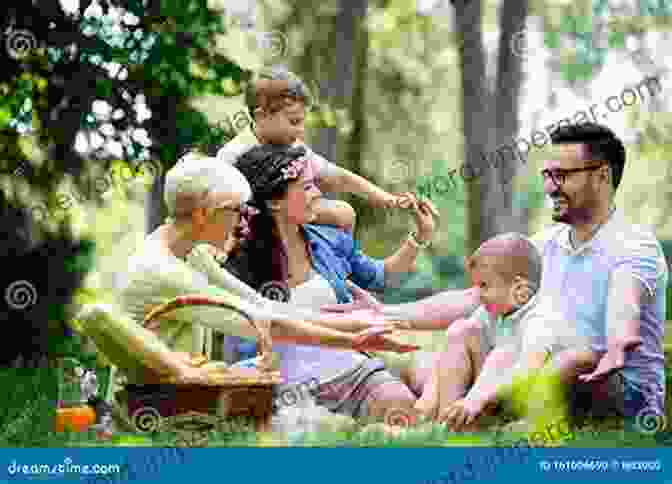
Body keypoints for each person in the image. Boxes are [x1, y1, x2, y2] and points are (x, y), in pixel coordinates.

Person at [411, 122, 668, 427]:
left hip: (610, 382)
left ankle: (491, 418)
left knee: (576, 359)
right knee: (464, 333)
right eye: (548, 175)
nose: (550, 187)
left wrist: (617, 344)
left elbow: (625, 303)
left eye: (562, 175)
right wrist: (386, 314)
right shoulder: (544, 245)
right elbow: (478, 296)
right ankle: (450, 425)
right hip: (538, 373)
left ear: (602, 176)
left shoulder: (634, 244)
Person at [116, 153, 416, 379]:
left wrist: (355, 323)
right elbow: (261, 323)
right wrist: (351, 337)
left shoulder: (188, 252)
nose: (243, 221)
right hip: (156, 400)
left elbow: (259, 306)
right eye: (237, 211)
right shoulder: (163, 270)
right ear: (203, 215)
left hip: (185, 389)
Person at [225, 143, 437, 420]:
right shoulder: (241, 259)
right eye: (307, 187)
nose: (318, 194)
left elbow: (381, 275)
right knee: (309, 431)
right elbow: (244, 335)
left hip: (351, 372)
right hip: (281, 384)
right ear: (275, 202)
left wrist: (420, 236)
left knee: (399, 407)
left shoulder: (330, 239)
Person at [217, 66, 421, 233]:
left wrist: (387, 199)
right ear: (261, 116)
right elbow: (223, 210)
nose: (301, 129)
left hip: (297, 221)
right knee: (341, 214)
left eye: (302, 121)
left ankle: (337, 271)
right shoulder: (233, 155)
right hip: (258, 230)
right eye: (294, 121)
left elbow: (339, 177)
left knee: (343, 214)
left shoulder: (295, 147)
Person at [419, 233, 591, 428]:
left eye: (484, 285)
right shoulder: (493, 310)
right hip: (496, 393)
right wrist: (427, 399)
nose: (477, 294)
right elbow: (450, 350)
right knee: (461, 330)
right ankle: (442, 416)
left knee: (503, 353)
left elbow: (527, 371)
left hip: (533, 397)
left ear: (520, 290)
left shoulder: (541, 318)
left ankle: (460, 421)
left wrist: (478, 398)